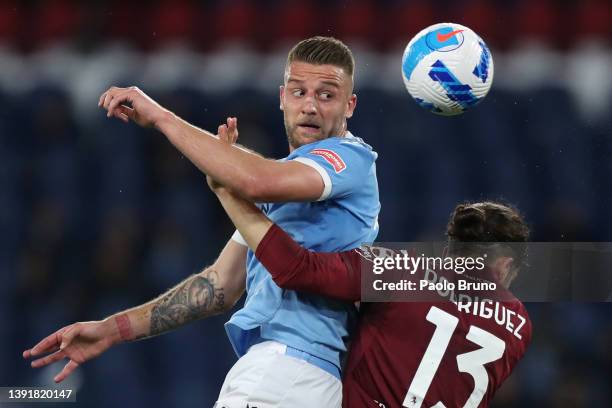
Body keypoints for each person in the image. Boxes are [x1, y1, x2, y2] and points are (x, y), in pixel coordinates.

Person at [23, 36, 380, 407]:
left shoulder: (350, 159)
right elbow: (217, 287)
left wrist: (161, 118)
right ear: (281, 97)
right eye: (298, 92)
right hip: (289, 378)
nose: (309, 106)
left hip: (287, 373)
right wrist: (112, 330)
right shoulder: (285, 191)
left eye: (326, 95)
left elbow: (254, 180)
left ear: (349, 105)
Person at [208, 175, 532, 408]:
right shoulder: (518, 326)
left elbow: (296, 268)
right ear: (503, 266)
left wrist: (229, 195)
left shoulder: (400, 270)